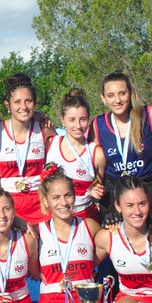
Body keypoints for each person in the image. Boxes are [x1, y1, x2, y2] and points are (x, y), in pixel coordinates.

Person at [34, 166, 107, 303]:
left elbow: (105, 250)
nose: (63, 202)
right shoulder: (37, 233)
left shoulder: (90, 226)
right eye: (56, 197)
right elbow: (32, 271)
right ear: (46, 200)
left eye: (68, 195)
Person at [92, 72, 152, 231]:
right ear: (103, 98)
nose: (118, 100)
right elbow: (86, 156)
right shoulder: (97, 124)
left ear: (130, 93)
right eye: (111, 95)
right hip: (118, 196)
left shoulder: (148, 114)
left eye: (122, 93)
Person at [0, 73, 52, 223]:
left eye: (28, 101)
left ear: (35, 103)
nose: (23, 107)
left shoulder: (44, 128)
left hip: (40, 207)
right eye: (17, 102)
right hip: (8, 208)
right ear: (8, 105)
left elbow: (56, 168)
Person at [44, 88, 105, 220]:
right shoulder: (50, 143)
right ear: (62, 120)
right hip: (54, 218)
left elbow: (98, 185)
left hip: (85, 218)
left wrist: (96, 191)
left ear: (88, 119)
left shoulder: (96, 153)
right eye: (72, 120)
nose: (78, 125)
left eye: (82, 119)